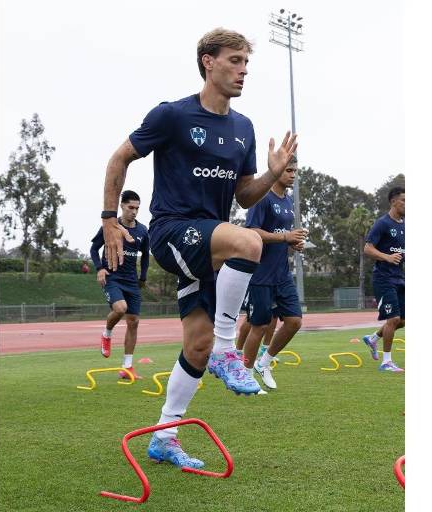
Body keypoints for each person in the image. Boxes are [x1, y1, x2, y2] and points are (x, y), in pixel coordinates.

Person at [100, 28, 297, 469]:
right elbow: (119, 158)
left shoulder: (243, 127)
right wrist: (109, 219)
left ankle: (164, 435)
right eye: (234, 61)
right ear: (208, 62)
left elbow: (245, 195)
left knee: (197, 347)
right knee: (247, 240)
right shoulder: (171, 115)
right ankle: (231, 349)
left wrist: (271, 174)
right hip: (173, 232)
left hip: (210, 245)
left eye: (247, 63)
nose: (243, 70)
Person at [240, 157, 307, 389]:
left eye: (295, 171)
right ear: (277, 171)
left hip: (282, 274)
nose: (293, 175)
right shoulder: (262, 198)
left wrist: (292, 243)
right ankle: (246, 376)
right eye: (289, 170)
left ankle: (264, 362)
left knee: (295, 321)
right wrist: (285, 237)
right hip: (260, 274)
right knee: (258, 326)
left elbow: (282, 235)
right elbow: (252, 232)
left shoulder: (287, 201)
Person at [90, 190, 150, 379]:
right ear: (122, 206)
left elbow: (146, 256)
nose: (134, 211)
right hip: (112, 278)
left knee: (134, 322)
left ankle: (127, 367)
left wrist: (143, 278)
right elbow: (93, 248)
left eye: (137, 208)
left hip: (132, 281)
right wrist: (99, 268)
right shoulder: (111, 226)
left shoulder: (142, 231)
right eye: (131, 207)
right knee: (120, 308)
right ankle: (107, 333)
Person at [361, 186, 405, 372]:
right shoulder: (383, 223)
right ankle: (386, 362)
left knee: (403, 320)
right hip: (383, 278)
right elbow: (367, 249)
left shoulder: (405, 225)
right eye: (404, 200)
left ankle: (373, 338)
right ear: (393, 201)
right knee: (393, 319)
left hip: (400, 278)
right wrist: (387, 257)